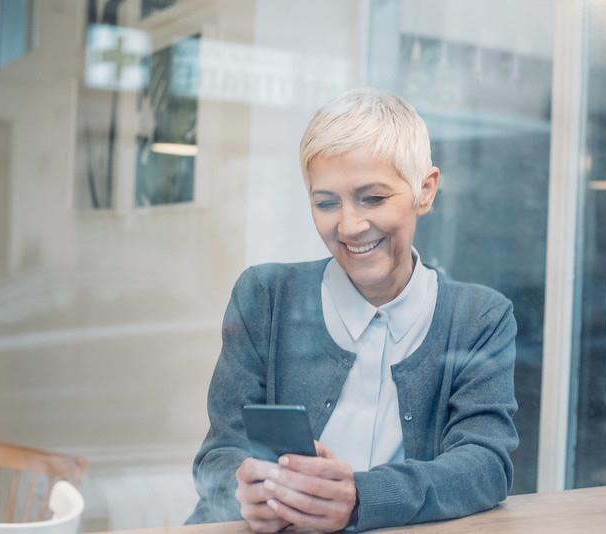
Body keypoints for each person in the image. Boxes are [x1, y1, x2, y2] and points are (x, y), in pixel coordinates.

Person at [186, 88, 518, 532]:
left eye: (373, 198)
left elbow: (486, 465)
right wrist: (243, 488)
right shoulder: (264, 296)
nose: (349, 225)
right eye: (326, 203)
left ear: (425, 190)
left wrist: (360, 498)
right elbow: (218, 454)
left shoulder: (480, 317)